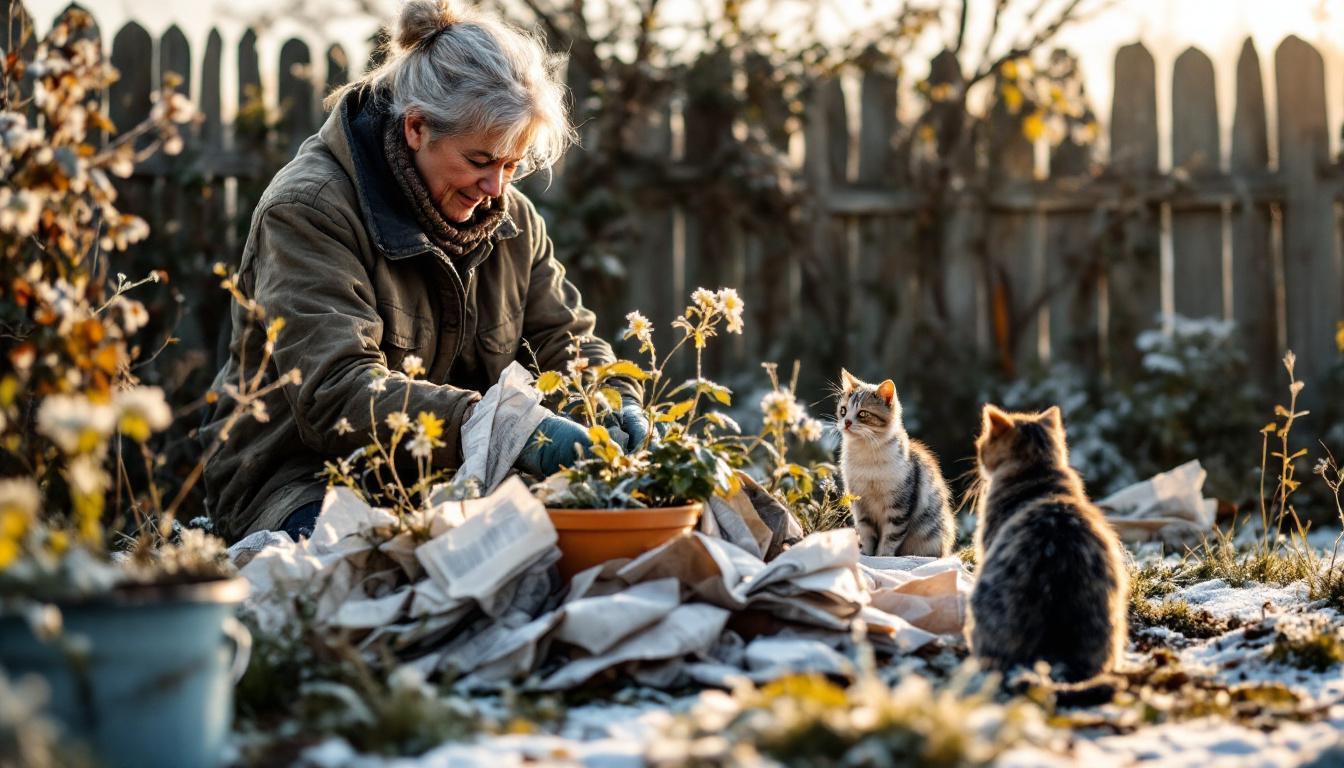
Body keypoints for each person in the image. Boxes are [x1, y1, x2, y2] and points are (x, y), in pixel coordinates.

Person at [200, 0, 646, 542]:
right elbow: (337, 391)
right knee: (369, 566)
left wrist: (612, 400)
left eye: (511, 165)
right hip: (301, 480)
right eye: (480, 161)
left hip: (452, 477)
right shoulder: (309, 210)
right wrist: (507, 430)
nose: (495, 189)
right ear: (416, 127)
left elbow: (563, 339)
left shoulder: (513, 220)